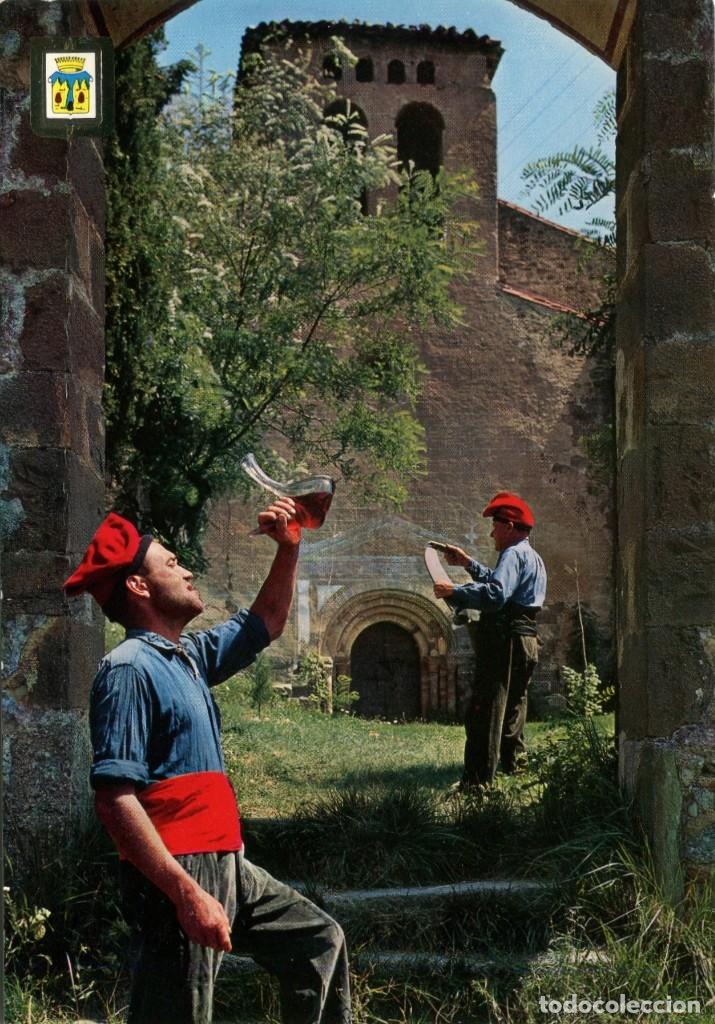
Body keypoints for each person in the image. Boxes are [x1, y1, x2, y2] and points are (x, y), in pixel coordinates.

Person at [63, 500, 351, 1024]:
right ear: (138, 587)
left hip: (226, 863)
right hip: (180, 872)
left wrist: (289, 548)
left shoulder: (187, 656)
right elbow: (113, 800)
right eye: (172, 564)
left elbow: (266, 620)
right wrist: (186, 894)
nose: (188, 570)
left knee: (318, 940)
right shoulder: (127, 669)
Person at [433, 492, 547, 790]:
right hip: (525, 639)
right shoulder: (531, 555)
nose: (491, 532)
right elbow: (500, 583)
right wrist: (468, 563)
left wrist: (454, 591)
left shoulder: (512, 554)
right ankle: (514, 773)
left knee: (486, 709)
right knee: (513, 709)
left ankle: (476, 784)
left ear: (509, 525)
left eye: (495, 525)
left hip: (505, 639)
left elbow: (496, 596)